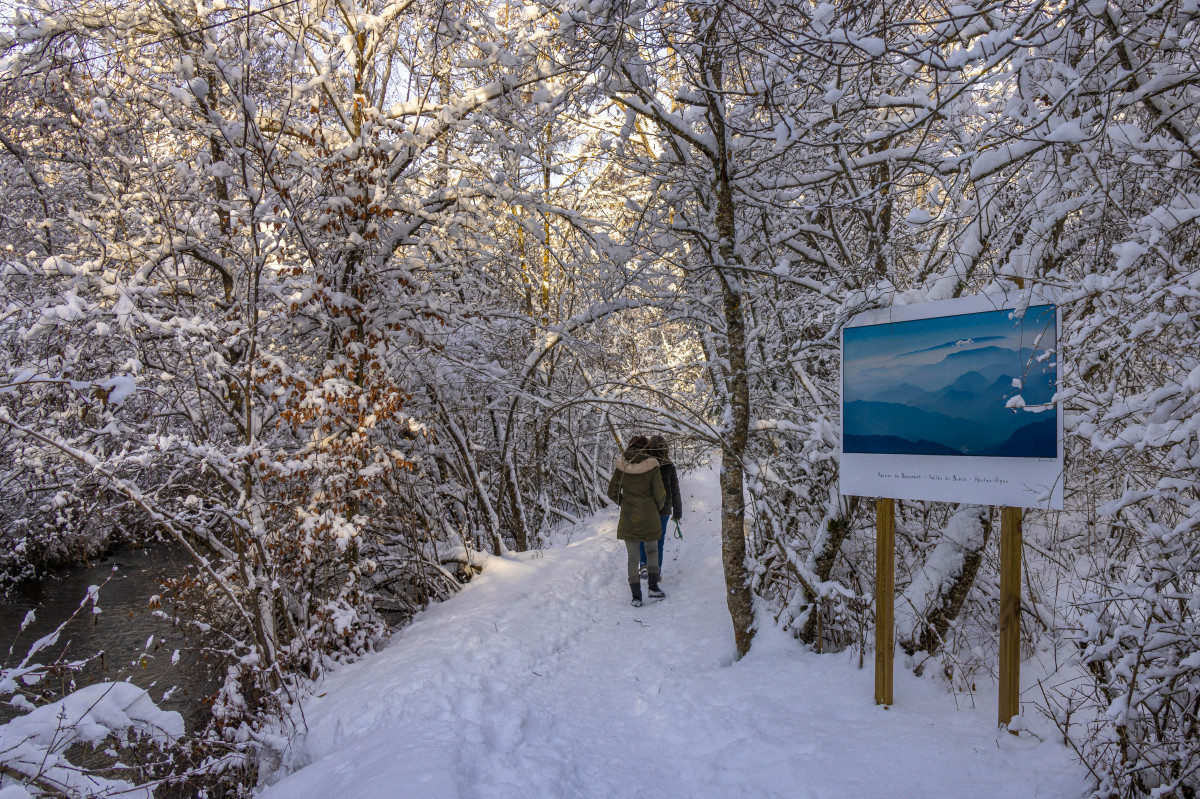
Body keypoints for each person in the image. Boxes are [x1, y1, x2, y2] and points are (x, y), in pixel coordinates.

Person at [607, 435, 667, 607]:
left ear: (630, 446)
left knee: (633, 557)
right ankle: (653, 588)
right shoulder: (653, 465)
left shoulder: (622, 466)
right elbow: (660, 494)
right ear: (646, 447)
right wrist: (654, 507)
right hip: (649, 516)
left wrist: (624, 502)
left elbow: (612, 492)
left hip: (629, 517)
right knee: (652, 551)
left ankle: (636, 596)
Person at [640, 435, 681, 578]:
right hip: (663, 509)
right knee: (659, 541)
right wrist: (677, 513)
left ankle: (644, 565)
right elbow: (675, 491)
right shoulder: (669, 466)